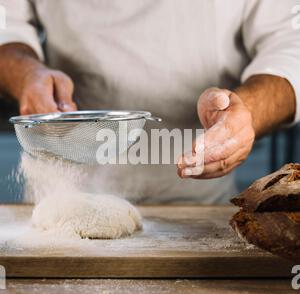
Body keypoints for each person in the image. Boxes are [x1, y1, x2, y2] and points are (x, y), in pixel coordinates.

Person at [0, 0, 299, 204]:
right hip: (64, 192)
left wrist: (246, 111)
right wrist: (26, 74)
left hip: (200, 202)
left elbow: (290, 42)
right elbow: (5, 21)